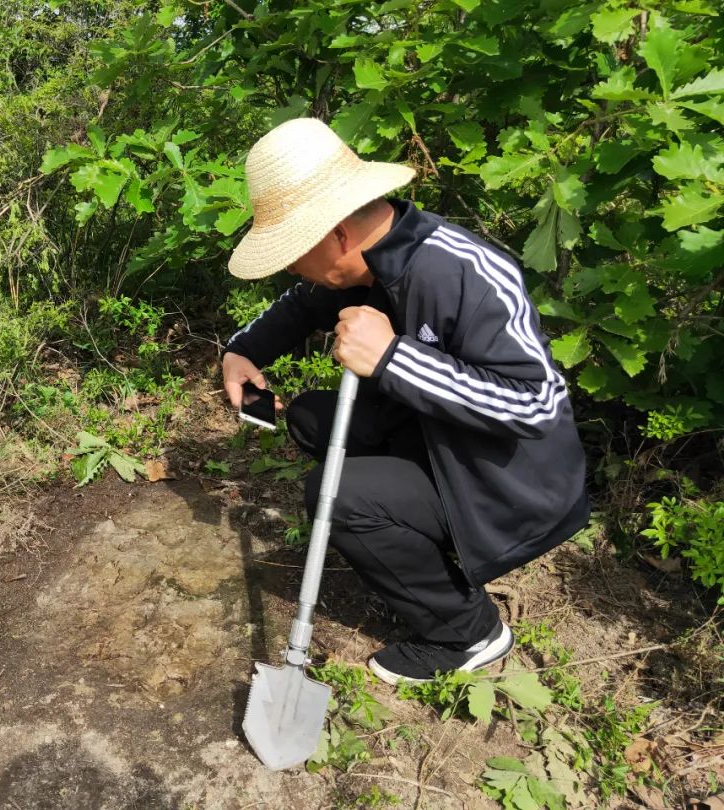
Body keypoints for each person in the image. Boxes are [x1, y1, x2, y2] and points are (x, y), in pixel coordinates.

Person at [221, 118, 590, 685]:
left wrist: (395, 358)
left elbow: (536, 406)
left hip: (507, 483)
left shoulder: (462, 270)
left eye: (294, 251)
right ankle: (404, 540)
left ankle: (466, 632)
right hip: (434, 437)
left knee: (334, 494)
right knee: (310, 419)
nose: (290, 267)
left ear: (337, 234)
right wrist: (243, 350)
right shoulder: (358, 266)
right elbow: (300, 304)